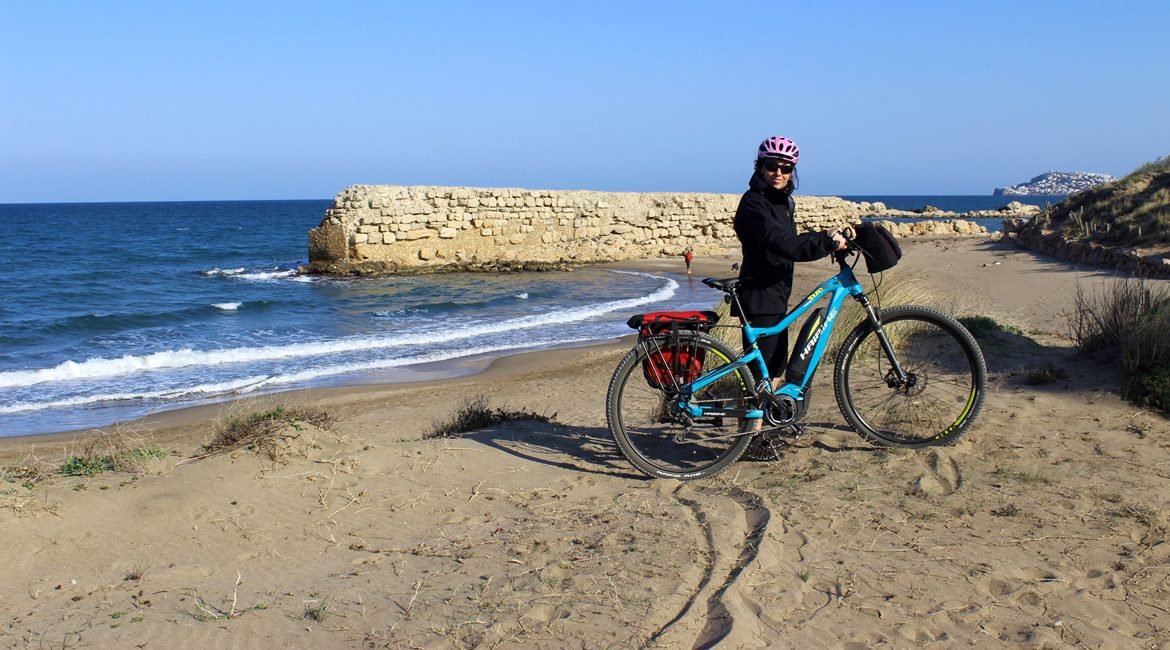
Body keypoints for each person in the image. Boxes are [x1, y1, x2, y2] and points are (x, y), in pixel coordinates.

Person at [733, 136, 847, 393]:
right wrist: (825, 243)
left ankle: (762, 427)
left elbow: (791, 240)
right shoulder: (754, 203)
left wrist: (824, 235)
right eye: (772, 166)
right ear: (760, 167)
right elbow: (783, 244)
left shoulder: (781, 203)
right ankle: (750, 431)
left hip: (776, 292)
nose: (778, 173)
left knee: (774, 366)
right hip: (760, 294)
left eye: (786, 169)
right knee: (760, 373)